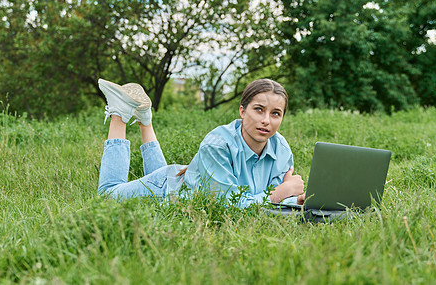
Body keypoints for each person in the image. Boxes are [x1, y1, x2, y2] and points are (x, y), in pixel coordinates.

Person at [98, 78, 305, 208]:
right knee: (107, 194)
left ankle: (145, 118)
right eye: (259, 109)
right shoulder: (217, 145)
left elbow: (273, 201)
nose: (266, 120)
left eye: (276, 113)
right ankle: (120, 113)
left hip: (187, 177)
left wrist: (294, 200)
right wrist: (283, 193)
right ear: (242, 111)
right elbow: (228, 204)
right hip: (166, 189)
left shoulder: (281, 150)